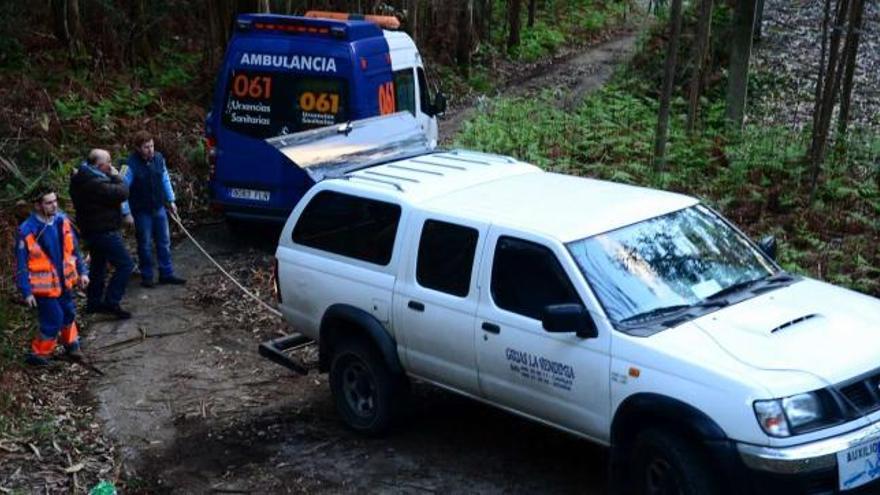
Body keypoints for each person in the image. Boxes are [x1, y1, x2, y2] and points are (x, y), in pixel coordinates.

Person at [15, 189, 89, 366]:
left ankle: (72, 345)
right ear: (38, 205)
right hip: (44, 288)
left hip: (64, 282)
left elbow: (74, 251)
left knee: (69, 313)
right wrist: (26, 292)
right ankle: (39, 353)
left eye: (55, 200)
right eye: (49, 202)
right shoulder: (27, 230)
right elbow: (21, 265)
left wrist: (83, 272)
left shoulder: (61, 220)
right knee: (54, 318)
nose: (54, 205)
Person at [70, 148, 134, 319]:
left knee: (99, 266)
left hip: (93, 230)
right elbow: (122, 192)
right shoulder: (94, 182)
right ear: (99, 166)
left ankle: (93, 302)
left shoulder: (82, 177)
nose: (111, 166)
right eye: (108, 163)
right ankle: (111, 302)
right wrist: (117, 176)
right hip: (103, 231)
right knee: (126, 264)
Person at [122, 131, 186, 288]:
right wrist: (126, 212)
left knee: (164, 241)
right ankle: (147, 276)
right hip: (141, 211)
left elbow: (165, 179)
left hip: (159, 208)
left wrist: (171, 200)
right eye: (146, 147)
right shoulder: (129, 165)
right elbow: (122, 190)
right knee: (144, 244)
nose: (150, 150)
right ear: (138, 148)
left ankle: (166, 273)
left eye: (151, 146)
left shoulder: (159, 158)